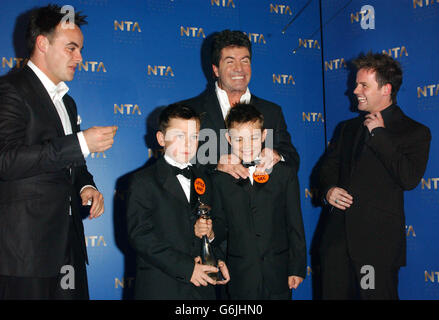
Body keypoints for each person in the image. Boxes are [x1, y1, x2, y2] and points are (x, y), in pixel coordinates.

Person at [0, 4, 117, 299]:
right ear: (42, 43)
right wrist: (80, 144)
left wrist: (86, 185)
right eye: (71, 48)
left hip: (68, 248)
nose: (80, 57)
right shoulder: (9, 90)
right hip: (24, 256)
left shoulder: (68, 103)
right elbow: (5, 160)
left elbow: (70, 162)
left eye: (80, 49)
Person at [318, 52, 431, 299]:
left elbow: (409, 179)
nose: (354, 90)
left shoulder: (415, 132)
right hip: (336, 247)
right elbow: (326, 169)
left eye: (363, 85)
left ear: (386, 89)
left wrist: (380, 135)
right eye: (356, 84)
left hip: (376, 251)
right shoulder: (346, 129)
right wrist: (328, 190)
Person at [126, 103, 230, 299]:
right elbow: (140, 236)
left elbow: (221, 224)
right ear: (161, 138)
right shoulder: (143, 181)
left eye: (194, 137)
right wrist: (187, 268)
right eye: (179, 136)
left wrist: (215, 250)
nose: (188, 144)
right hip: (161, 287)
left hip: (202, 290)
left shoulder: (206, 179)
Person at [211, 103, 306, 299]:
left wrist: (296, 266)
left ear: (264, 136)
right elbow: (219, 229)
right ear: (228, 139)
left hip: (278, 274)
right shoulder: (220, 179)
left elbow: (294, 223)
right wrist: (218, 261)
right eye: (238, 139)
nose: (246, 145)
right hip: (239, 276)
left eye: (253, 138)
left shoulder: (284, 174)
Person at [182, 29, 299, 178]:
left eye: (245, 61)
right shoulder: (190, 111)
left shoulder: (272, 112)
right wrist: (216, 166)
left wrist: (277, 155)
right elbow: (177, 163)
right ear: (216, 70)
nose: (239, 69)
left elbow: (292, 159)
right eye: (230, 61)